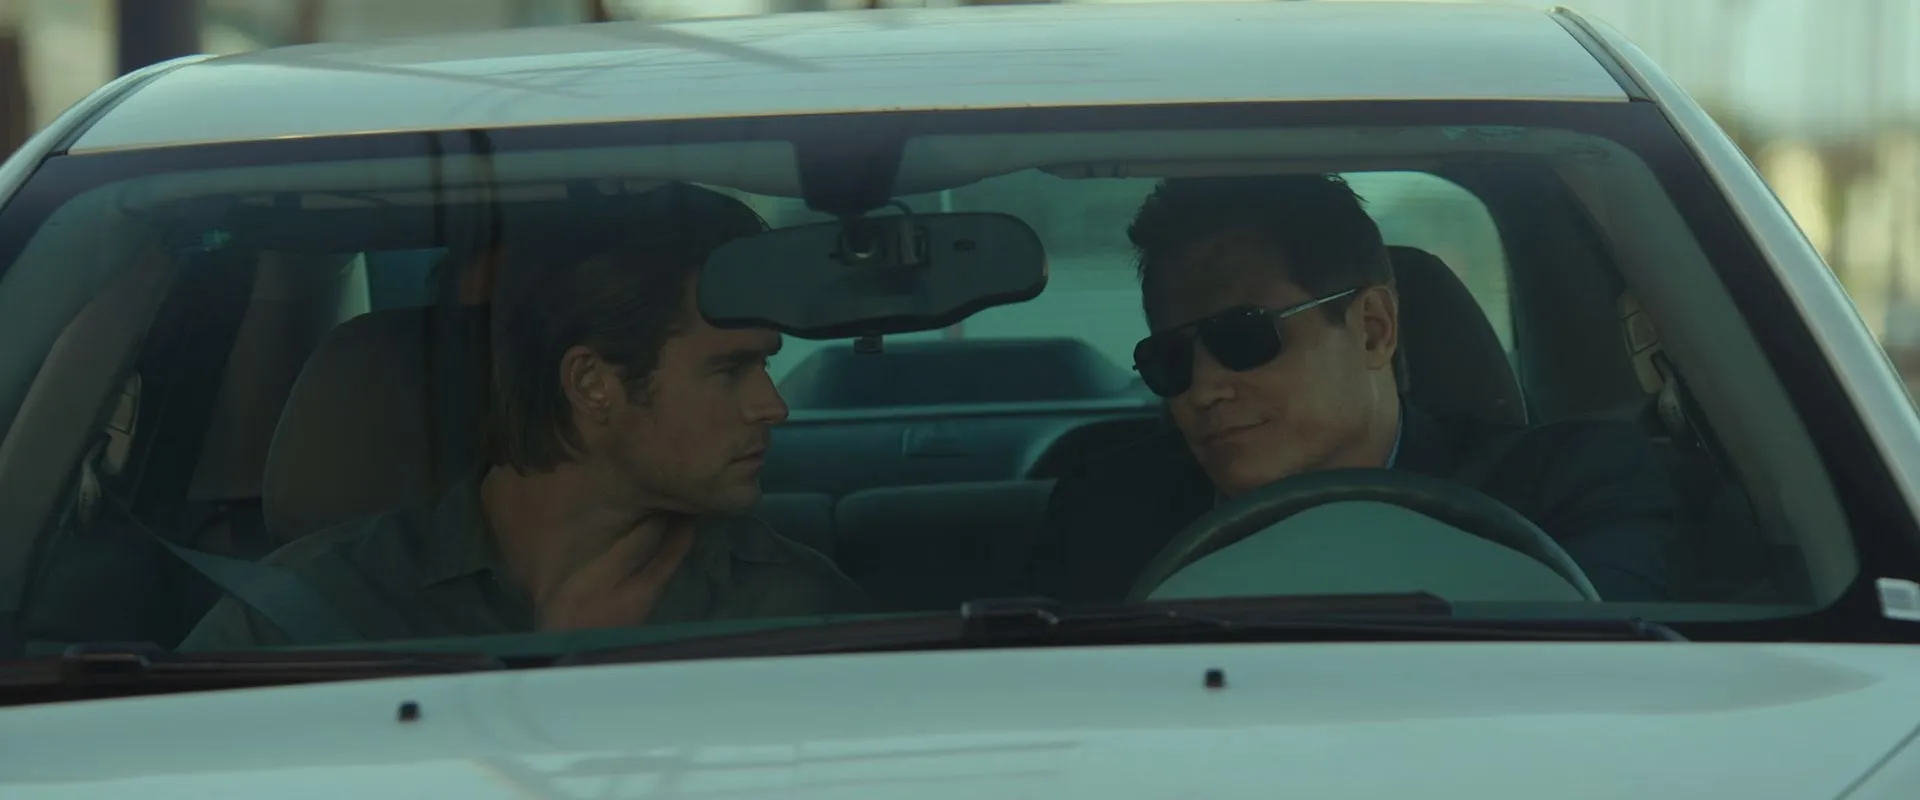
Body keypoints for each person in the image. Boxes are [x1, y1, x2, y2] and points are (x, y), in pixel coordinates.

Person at [180, 183, 867, 649]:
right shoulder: (308, 614)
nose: (773, 406)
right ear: (592, 384)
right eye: (729, 370)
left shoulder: (794, 610)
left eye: (765, 366)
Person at [1024, 174, 1677, 604]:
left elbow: (1609, 681)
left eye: (1243, 338)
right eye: (1169, 358)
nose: (1203, 389)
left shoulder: (1569, 490)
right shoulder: (1105, 517)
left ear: (1372, 329)